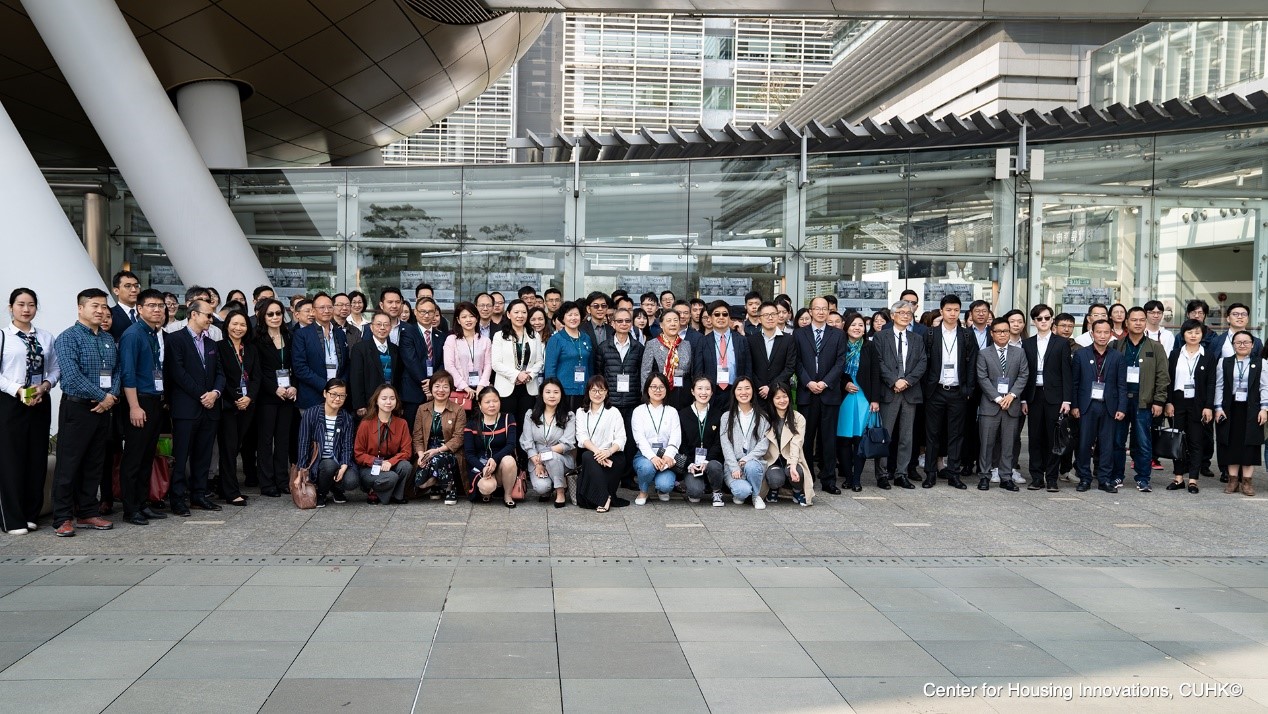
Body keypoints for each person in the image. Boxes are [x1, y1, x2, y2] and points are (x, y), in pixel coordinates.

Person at [51, 289, 119, 536]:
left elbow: (118, 370)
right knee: (69, 464)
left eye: (103, 306)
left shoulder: (108, 338)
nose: (100, 311)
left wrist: (110, 397)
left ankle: (88, 512)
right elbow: (71, 375)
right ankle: (62, 517)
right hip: (77, 407)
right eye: (94, 306)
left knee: (94, 463)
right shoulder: (68, 338)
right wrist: (104, 397)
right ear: (80, 308)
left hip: (103, 409)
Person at [0, 288, 59, 534]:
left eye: (31, 305)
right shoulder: (4, 336)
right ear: (11, 307)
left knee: (36, 458)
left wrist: (45, 386)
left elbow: (55, 370)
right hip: (10, 402)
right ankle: (12, 519)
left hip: (39, 401)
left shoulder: (45, 337)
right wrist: (18, 390)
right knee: (11, 460)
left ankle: (31, 513)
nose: (26, 309)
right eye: (21, 304)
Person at [165, 299, 225, 516]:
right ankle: (178, 498)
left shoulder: (211, 343)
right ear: (193, 314)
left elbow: (220, 372)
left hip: (210, 408)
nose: (211, 319)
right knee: (181, 456)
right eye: (208, 315)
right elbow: (177, 373)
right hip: (186, 408)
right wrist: (202, 395)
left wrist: (215, 393)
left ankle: (199, 495)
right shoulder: (175, 339)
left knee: (204, 455)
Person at [1110, 307, 1169, 492]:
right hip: (1120, 401)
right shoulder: (1116, 345)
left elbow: (1163, 376)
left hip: (1144, 401)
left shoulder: (1155, 347)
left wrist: (1159, 401)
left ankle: (1143, 478)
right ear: (1126, 322)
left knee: (1143, 441)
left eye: (1141, 320)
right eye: (1133, 320)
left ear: (1145, 322)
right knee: (1117, 440)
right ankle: (1117, 475)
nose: (1137, 323)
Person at [922, 295, 976, 490]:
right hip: (935, 391)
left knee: (956, 434)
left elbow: (972, 364)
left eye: (956, 310)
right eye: (948, 310)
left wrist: (968, 389)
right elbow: (924, 363)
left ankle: (954, 473)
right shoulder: (930, 334)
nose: (952, 314)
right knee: (932, 434)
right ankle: (930, 474)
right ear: (941, 311)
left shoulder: (967, 335)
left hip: (958, 391)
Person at [793, 296, 847, 493]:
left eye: (824, 309)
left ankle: (829, 480)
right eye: (817, 309)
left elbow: (840, 362)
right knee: (805, 439)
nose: (821, 312)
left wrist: (824, 383)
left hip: (829, 393)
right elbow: (796, 361)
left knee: (828, 439)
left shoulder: (838, 334)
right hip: (807, 393)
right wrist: (808, 382)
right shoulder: (799, 334)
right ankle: (807, 477)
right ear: (810, 311)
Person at [873, 300, 927, 490]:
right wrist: (894, 381)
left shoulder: (917, 338)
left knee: (907, 436)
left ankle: (901, 474)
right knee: (884, 435)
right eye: (902, 312)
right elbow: (878, 362)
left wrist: (907, 381)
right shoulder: (881, 337)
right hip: (889, 392)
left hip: (910, 392)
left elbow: (922, 363)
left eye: (909, 313)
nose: (906, 315)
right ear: (893, 315)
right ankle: (882, 474)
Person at [1071, 320, 1129, 493]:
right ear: (1092, 332)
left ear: (1110, 333)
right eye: (1099, 332)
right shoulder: (1081, 354)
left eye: (1106, 332)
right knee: (1083, 444)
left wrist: (1122, 407)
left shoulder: (1117, 356)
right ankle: (1084, 478)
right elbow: (1074, 383)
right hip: (1086, 406)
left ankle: (1104, 479)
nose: (1102, 336)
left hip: (1108, 406)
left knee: (1107, 445)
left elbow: (1122, 385)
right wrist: (1074, 405)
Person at [1021, 303, 1072, 493]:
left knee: (1053, 439)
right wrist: (1024, 400)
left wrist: (1067, 400)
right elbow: (1024, 374)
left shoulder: (1061, 343)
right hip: (1034, 396)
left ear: (1052, 320)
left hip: (1055, 397)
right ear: (1034, 322)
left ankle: (1051, 478)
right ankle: (1036, 477)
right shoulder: (1027, 343)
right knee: (1034, 438)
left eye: (1047, 318)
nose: (1043, 321)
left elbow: (1067, 373)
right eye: (1039, 318)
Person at [975, 318, 1029, 491]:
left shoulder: (1019, 353)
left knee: (1008, 444)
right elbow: (982, 378)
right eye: (999, 331)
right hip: (990, 406)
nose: (1003, 334)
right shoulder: (984, 353)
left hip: (1011, 405)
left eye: (1006, 331)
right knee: (986, 444)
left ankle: (1006, 477)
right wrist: (998, 398)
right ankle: (984, 475)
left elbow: (1023, 375)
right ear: (992, 333)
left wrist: (1011, 395)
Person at [1164, 320, 1216, 494]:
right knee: (1177, 441)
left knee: (1195, 440)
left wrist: (1209, 406)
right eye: (1189, 332)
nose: (1193, 335)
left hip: (1198, 403)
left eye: (1197, 332)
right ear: (1183, 334)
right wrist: (1168, 402)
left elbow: (1211, 384)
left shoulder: (1208, 355)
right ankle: (1178, 477)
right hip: (1177, 401)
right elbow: (1168, 380)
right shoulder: (1175, 354)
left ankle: (1193, 479)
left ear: (1203, 335)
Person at [1214, 330, 1267, 497]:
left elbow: (1264, 386)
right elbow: (1219, 385)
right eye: (1238, 342)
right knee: (1231, 443)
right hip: (1230, 408)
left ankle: (1247, 482)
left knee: (1250, 444)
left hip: (1252, 409)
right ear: (1233, 344)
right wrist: (1218, 407)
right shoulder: (1224, 362)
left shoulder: (1261, 363)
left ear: (1253, 345)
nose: (1242, 345)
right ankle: (1232, 480)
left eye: (1246, 342)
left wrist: (1264, 409)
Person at [253, 298, 297, 498]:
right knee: (264, 440)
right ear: (262, 316)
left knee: (283, 439)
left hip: (288, 395)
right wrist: (274, 389)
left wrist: (293, 386)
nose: (275, 317)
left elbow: (295, 365)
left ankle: (282, 480)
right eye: (270, 314)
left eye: (278, 313)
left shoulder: (289, 336)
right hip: (267, 396)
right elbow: (257, 371)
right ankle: (267, 482)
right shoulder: (256, 339)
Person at [215, 309, 258, 507]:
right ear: (227, 325)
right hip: (228, 406)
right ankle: (231, 491)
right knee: (228, 448)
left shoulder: (251, 349)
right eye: (234, 324)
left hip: (247, 405)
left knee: (236, 446)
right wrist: (236, 398)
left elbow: (256, 377)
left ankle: (227, 488)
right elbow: (220, 375)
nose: (238, 328)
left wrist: (248, 397)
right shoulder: (219, 347)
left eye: (242, 325)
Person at [836, 312, 882, 492]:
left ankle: (856, 479)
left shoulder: (870, 347)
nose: (857, 328)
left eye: (861, 325)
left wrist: (875, 399)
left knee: (859, 439)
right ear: (846, 327)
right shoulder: (839, 346)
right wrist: (844, 384)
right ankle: (847, 477)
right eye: (853, 325)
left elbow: (875, 374)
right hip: (844, 397)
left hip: (864, 398)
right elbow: (834, 371)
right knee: (844, 439)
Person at [349, 384, 414, 505]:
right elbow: (358, 454)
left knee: (406, 466)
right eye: (384, 398)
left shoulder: (402, 423)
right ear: (376, 401)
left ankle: (396, 495)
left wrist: (390, 462)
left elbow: (407, 451)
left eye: (392, 398)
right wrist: (378, 462)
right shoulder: (366, 424)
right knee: (391, 477)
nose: (388, 402)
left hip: (390, 464)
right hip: (370, 467)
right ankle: (374, 491)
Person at [296, 379, 355, 507]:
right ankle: (321, 494)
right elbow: (303, 443)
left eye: (341, 395)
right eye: (333, 394)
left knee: (352, 480)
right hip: (317, 462)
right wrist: (301, 469)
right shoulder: (311, 414)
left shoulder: (347, 418)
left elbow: (347, 446)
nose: (337, 398)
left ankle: (335, 489)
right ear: (325, 394)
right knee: (329, 465)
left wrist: (344, 465)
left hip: (338, 460)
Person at [412, 369, 465, 505]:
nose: (441, 390)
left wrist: (438, 450)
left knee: (438, 459)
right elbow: (417, 436)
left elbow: (458, 437)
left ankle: (449, 488)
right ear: (431, 388)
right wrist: (420, 455)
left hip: (449, 452)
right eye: (437, 386)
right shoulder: (422, 409)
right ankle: (436, 484)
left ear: (451, 389)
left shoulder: (458, 410)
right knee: (420, 483)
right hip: (426, 453)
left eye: (445, 386)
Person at [520, 378, 576, 508]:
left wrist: (545, 455)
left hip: (561, 459)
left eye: (556, 392)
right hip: (536, 460)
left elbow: (567, 443)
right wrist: (537, 462)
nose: (552, 396)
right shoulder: (531, 415)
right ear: (541, 394)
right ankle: (551, 486)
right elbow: (527, 441)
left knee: (553, 457)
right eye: (548, 392)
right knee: (541, 488)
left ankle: (560, 491)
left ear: (561, 394)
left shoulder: (569, 416)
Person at [575, 376, 628, 512]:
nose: (597, 394)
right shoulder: (581, 412)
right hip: (593, 456)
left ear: (607, 392)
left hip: (612, 456)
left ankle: (603, 498)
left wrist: (608, 452)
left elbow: (621, 438)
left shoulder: (613, 412)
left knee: (589, 457)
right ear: (588, 392)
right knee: (587, 456)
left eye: (601, 390)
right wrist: (598, 453)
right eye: (593, 390)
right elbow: (582, 436)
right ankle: (605, 497)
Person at [492, 299, 544, 427]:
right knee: (507, 424)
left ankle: (523, 448)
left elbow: (539, 361)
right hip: (506, 387)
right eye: (516, 312)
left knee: (525, 424)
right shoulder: (499, 336)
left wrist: (529, 375)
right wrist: (517, 375)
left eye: (524, 312)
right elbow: (496, 363)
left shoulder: (534, 335)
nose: (520, 316)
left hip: (528, 387)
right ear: (509, 314)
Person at [463, 387, 519, 507]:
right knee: (487, 487)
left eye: (495, 401)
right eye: (487, 402)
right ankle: (488, 490)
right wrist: (483, 468)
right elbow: (469, 454)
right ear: (480, 404)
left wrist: (495, 459)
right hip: (481, 465)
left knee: (509, 460)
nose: (492, 405)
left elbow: (511, 445)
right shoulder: (472, 423)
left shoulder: (508, 418)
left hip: (500, 465)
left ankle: (507, 495)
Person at [630, 372, 681, 504]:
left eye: (661, 387)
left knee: (665, 485)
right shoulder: (639, 411)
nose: (657, 390)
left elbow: (676, 436)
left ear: (666, 389)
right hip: (645, 456)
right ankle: (643, 491)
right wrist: (652, 457)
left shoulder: (672, 411)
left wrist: (669, 455)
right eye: (653, 387)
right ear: (647, 389)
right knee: (647, 468)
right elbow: (639, 438)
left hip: (666, 456)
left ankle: (661, 489)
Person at [292, 293, 348, 411]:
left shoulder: (340, 333)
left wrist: (338, 386)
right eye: (322, 308)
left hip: (337, 397)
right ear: (313, 311)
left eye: (330, 307)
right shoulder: (302, 334)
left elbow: (346, 364)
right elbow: (300, 368)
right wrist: (326, 386)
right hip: (312, 396)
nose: (326, 311)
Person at [398, 297, 447, 430]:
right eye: (422, 311)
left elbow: (443, 361)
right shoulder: (407, 332)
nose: (426, 315)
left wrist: (433, 382)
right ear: (415, 312)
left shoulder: (441, 335)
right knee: (411, 429)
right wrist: (426, 383)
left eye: (430, 312)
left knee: (431, 430)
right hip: (413, 390)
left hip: (435, 390)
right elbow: (410, 360)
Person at [676, 376, 725, 505]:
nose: (703, 392)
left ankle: (716, 491)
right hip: (692, 463)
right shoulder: (682, 414)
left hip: (710, 461)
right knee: (695, 494)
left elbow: (718, 443)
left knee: (715, 466)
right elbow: (682, 444)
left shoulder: (718, 414)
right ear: (692, 391)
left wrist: (707, 460)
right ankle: (694, 483)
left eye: (707, 389)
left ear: (712, 392)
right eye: (700, 388)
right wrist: (690, 463)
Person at [765, 382, 813, 506]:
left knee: (797, 471)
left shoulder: (798, 418)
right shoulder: (765, 418)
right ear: (772, 400)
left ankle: (797, 491)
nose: (782, 400)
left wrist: (792, 465)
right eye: (777, 397)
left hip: (791, 458)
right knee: (776, 479)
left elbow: (797, 443)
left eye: (785, 396)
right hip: (772, 460)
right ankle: (773, 489)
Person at [698, 300, 753, 408]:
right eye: (717, 314)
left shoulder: (742, 340)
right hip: (711, 393)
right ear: (709, 318)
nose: (721, 317)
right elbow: (698, 370)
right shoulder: (703, 341)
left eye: (725, 314)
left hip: (736, 392)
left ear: (729, 318)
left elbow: (748, 368)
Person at [544, 301, 594, 414]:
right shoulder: (556, 339)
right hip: (563, 391)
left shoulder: (586, 338)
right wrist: (552, 391)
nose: (573, 318)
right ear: (563, 318)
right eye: (569, 315)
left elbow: (590, 365)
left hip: (584, 389)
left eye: (576, 314)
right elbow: (550, 368)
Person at [349, 311, 399, 417]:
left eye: (386, 325)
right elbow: (356, 378)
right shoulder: (360, 349)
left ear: (390, 328)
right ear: (371, 327)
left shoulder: (395, 349)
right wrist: (359, 404)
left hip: (390, 402)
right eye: (378, 324)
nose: (382, 328)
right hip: (369, 402)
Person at [444, 301, 493, 411]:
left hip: (481, 390)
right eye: (464, 317)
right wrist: (465, 387)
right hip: (460, 391)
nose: (468, 320)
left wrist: (481, 386)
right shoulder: (452, 340)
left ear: (476, 318)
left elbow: (488, 365)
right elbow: (449, 366)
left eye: (471, 316)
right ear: (458, 320)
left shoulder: (485, 341)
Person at [748, 301, 795, 403]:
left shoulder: (788, 339)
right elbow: (749, 367)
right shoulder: (751, 340)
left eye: (773, 314)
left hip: (781, 393)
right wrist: (760, 387)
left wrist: (771, 387)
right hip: (758, 394)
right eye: (766, 315)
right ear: (759, 319)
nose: (770, 318)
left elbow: (790, 367)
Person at [108, 269, 141, 342]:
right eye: (128, 286)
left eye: (136, 286)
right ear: (116, 291)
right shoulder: (110, 314)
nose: (134, 290)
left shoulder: (144, 312)